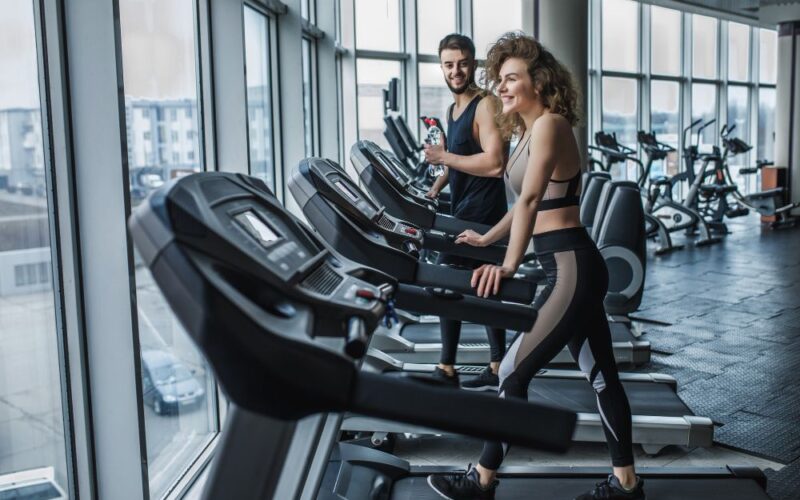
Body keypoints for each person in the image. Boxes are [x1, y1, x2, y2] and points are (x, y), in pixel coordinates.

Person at [426, 33, 645, 500]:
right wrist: (488, 238)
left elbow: (528, 200)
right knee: (601, 376)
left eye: (511, 79)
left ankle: (481, 480)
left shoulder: (550, 125)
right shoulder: (527, 132)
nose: (501, 87)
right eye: (499, 79)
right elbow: (525, 202)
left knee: (511, 372)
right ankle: (627, 485)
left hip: (571, 265)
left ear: (539, 82)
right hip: (564, 266)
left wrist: (507, 265)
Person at [423, 34, 509, 391]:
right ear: (442, 67)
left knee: (446, 281)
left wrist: (444, 156)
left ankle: (446, 368)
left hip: (484, 214)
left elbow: (495, 163)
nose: (455, 71)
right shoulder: (452, 110)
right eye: (448, 64)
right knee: (484, 286)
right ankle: (497, 364)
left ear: (473, 64)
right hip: (462, 208)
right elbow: (458, 162)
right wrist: (436, 185)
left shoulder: (485, 105)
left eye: (461, 63)